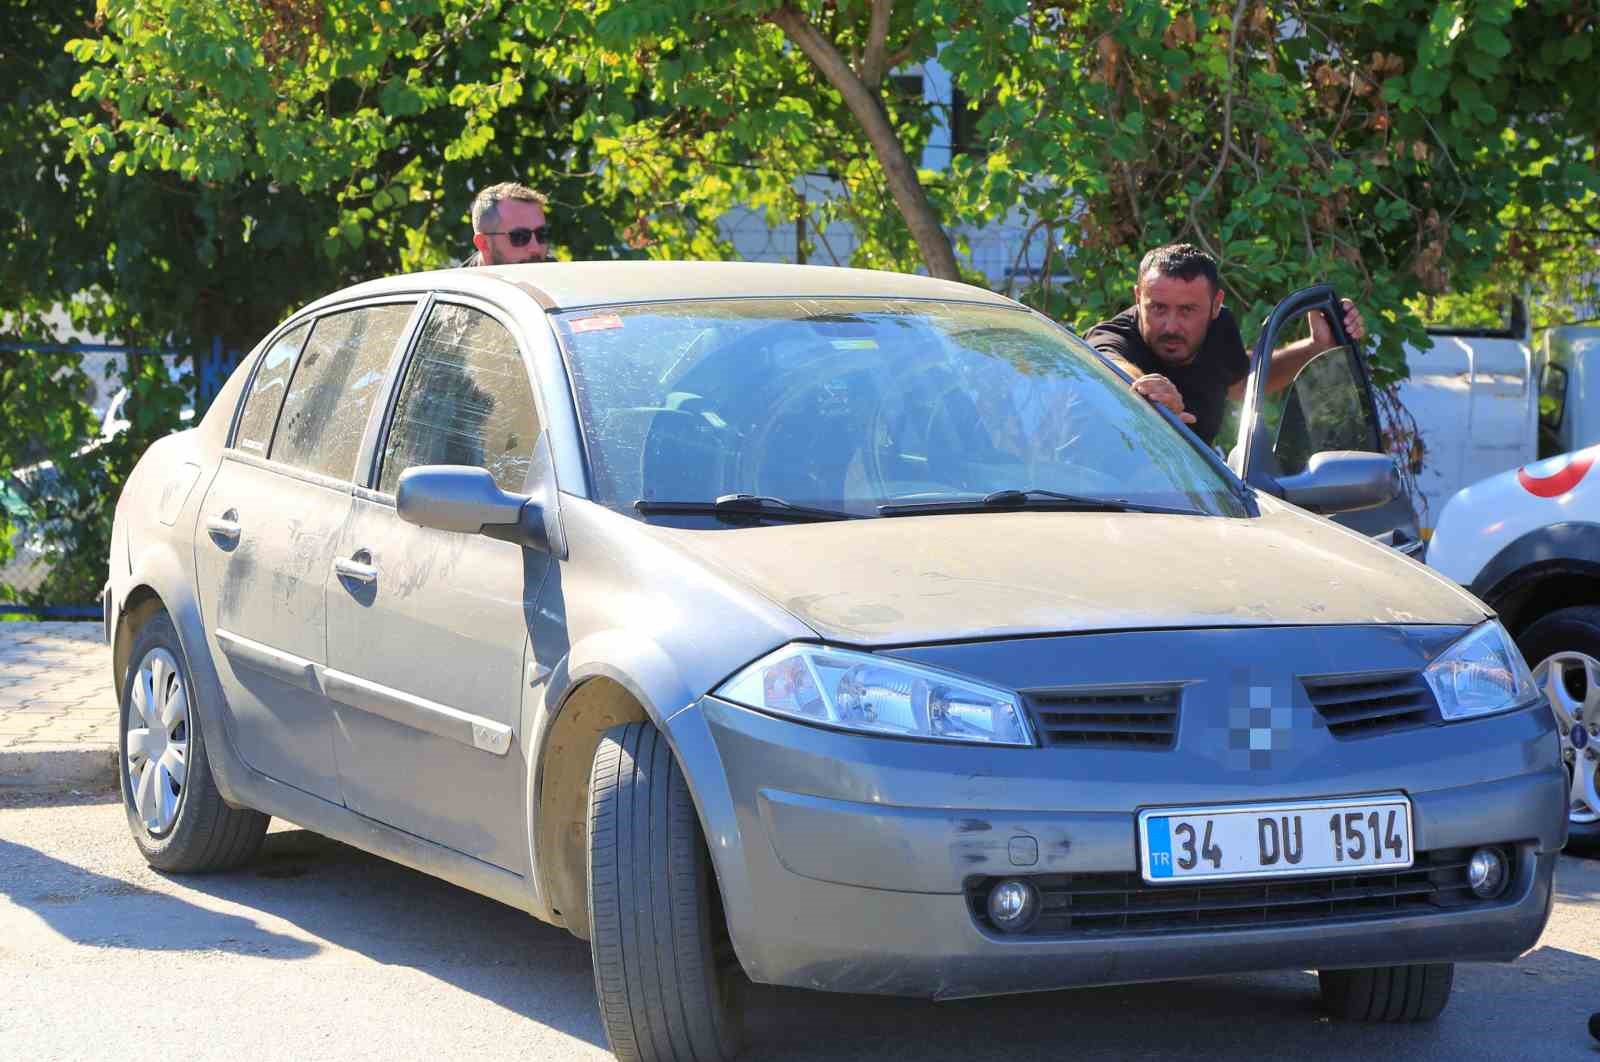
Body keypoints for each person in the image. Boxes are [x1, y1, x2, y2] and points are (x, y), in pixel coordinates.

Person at [1084, 243, 1366, 448]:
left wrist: (1316, 347)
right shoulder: (1113, 336)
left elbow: (1243, 384)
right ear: (1138, 297)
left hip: (1188, 497)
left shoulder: (1219, 328)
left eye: (1186, 311)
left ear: (1216, 305)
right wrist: (1147, 389)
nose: (1170, 326)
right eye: (1157, 308)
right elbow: (1105, 363)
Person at [461, 182, 551, 267]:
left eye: (541, 234)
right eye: (520, 236)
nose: (536, 248)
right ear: (484, 244)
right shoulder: (457, 283)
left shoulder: (560, 279)